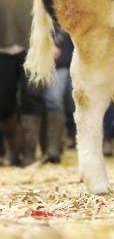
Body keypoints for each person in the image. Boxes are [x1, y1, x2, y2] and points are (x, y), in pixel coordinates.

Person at [0, 0, 44, 167]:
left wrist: (56, 41)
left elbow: (55, 3)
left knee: (32, 100)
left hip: (35, 46)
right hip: (3, 45)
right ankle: (12, 153)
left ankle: (29, 155)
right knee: (4, 102)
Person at [40, 24, 74, 163]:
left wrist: (57, 43)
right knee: (50, 100)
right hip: (42, 57)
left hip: (65, 58)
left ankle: (54, 148)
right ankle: (51, 148)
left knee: (57, 100)